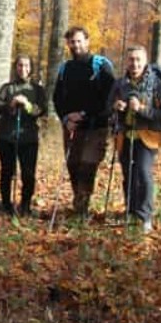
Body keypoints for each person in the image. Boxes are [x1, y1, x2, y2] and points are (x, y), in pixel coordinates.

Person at [52, 26, 116, 218]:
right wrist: (66, 118)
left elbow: (109, 97)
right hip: (71, 127)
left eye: (79, 41)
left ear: (87, 41)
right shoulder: (65, 68)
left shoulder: (101, 65)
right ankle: (78, 203)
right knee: (73, 165)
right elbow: (57, 98)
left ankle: (82, 207)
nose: (76, 45)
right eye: (72, 42)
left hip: (96, 126)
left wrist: (85, 114)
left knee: (88, 164)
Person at [107, 45, 161, 232]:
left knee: (143, 173)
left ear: (145, 61)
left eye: (138, 60)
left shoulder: (157, 84)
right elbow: (107, 107)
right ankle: (131, 211)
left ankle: (145, 216)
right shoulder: (120, 84)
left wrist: (141, 109)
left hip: (148, 135)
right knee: (128, 174)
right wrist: (115, 107)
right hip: (124, 135)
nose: (134, 64)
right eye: (131, 60)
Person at [0, 55, 44, 216]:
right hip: (6, 136)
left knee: (28, 174)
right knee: (7, 171)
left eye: (26, 66)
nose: (23, 69)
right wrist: (11, 105)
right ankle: (6, 205)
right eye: (20, 65)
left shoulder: (37, 89)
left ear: (31, 68)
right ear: (16, 67)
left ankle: (25, 205)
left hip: (28, 138)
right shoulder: (7, 88)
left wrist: (27, 105)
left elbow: (40, 110)